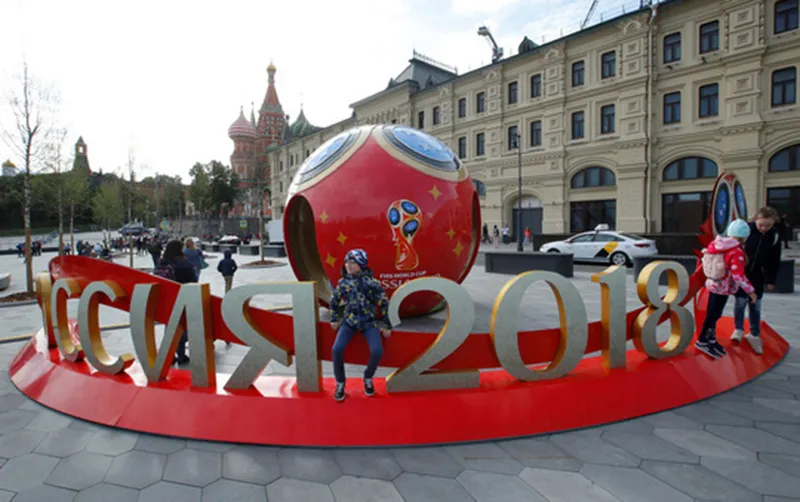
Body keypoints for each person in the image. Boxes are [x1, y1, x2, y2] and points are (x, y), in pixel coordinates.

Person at [329, 249, 392, 401]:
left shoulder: (372, 283)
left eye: (353, 263)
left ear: (361, 265)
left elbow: (383, 302)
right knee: (337, 350)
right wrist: (334, 318)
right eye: (347, 262)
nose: (349, 266)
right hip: (349, 321)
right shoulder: (343, 283)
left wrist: (386, 324)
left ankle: (368, 377)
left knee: (377, 351)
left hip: (368, 322)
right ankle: (340, 382)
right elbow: (334, 301)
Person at [695, 219, 757, 359]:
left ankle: (710, 339)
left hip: (713, 283)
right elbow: (738, 276)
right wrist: (751, 291)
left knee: (713, 313)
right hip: (723, 287)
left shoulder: (717, 245)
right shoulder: (736, 251)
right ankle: (703, 340)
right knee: (713, 314)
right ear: (745, 236)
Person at [730, 207, 783, 355]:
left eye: (768, 225)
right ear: (755, 220)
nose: (764, 228)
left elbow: (774, 260)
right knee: (740, 302)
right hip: (742, 272)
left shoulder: (774, 236)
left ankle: (754, 334)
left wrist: (771, 279)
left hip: (758, 275)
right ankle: (738, 329)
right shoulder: (745, 230)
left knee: (756, 304)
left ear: (773, 223)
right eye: (761, 225)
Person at [156, 240, 197, 365]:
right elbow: (193, 281)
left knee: (169, 327)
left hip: (167, 300)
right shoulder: (183, 262)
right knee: (182, 328)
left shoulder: (162, 262)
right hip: (182, 298)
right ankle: (181, 355)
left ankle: (169, 355)